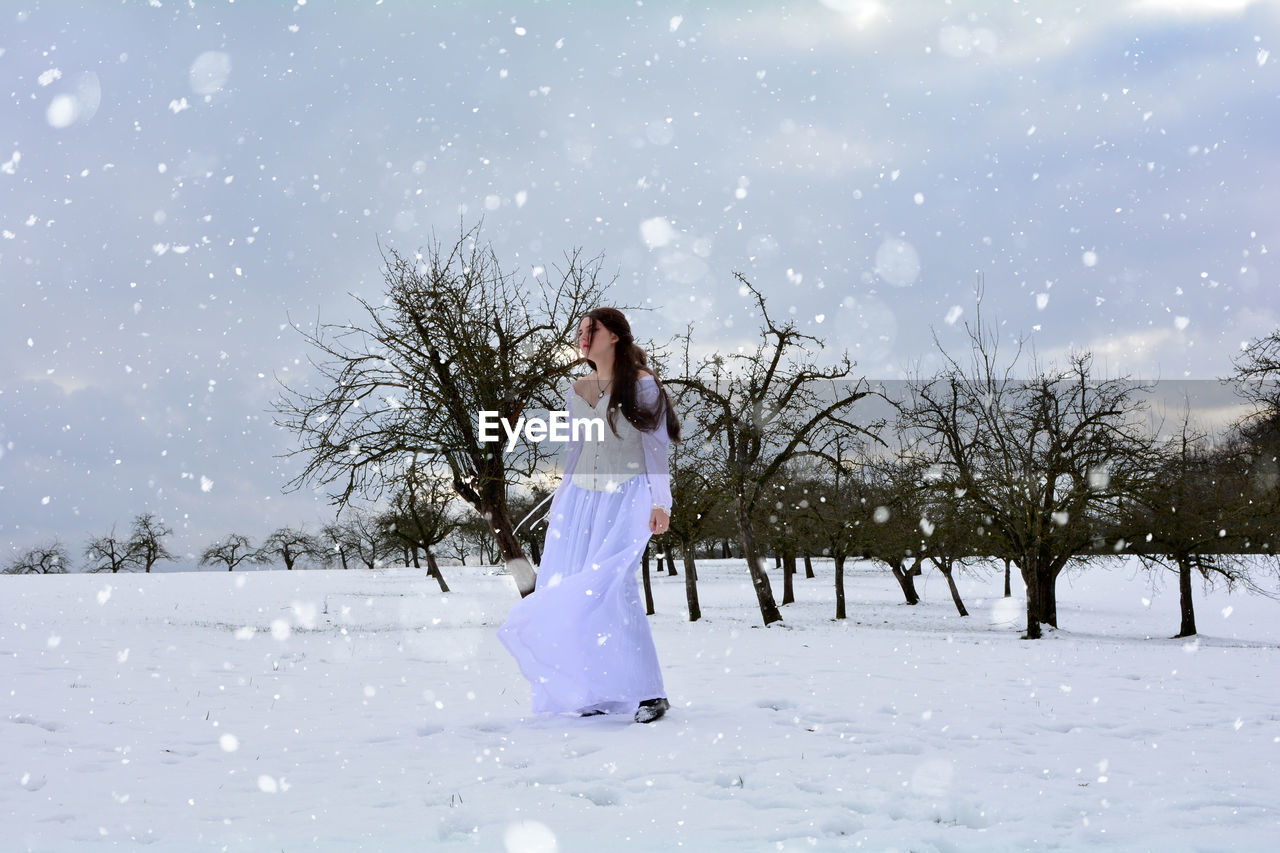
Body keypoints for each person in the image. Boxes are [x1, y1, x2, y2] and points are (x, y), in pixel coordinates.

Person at [498, 308, 681, 724]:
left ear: (614, 336)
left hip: (627, 495)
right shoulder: (577, 388)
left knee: (615, 588)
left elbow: (655, 448)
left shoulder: (643, 385)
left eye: (591, 330)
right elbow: (576, 451)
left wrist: (660, 503)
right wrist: (561, 502)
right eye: (580, 331)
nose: (583, 337)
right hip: (582, 498)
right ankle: (597, 690)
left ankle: (651, 692)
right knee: (577, 592)